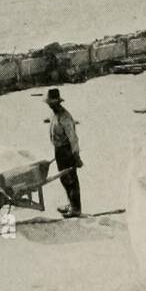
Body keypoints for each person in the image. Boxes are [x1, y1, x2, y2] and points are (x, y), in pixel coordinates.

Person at [45, 88, 83, 217]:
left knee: (71, 180)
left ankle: (76, 208)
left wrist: (76, 156)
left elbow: (73, 138)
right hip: (59, 150)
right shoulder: (54, 114)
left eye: (50, 102)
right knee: (64, 179)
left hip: (67, 151)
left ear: (56, 102)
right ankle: (70, 204)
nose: (49, 105)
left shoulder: (65, 117)